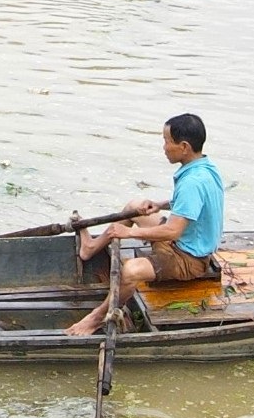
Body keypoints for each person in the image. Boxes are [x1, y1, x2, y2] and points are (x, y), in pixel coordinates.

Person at [65, 113, 224, 337]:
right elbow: (192, 205)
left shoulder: (193, 182)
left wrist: (128, 232)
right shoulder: (204, 168)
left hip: (188, 258)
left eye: (167, 141)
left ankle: (94, 319)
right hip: (181, 240)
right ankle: (90, 247)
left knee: (130, 271)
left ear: (184, 146)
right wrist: (161, 205)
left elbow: (173, 230)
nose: (164, 147)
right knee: (134, 205)